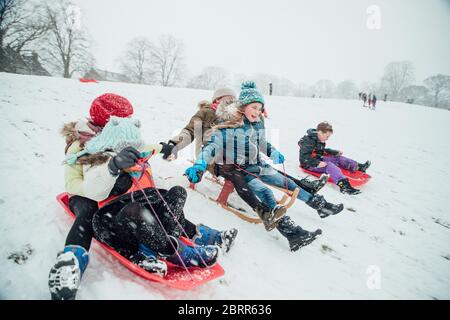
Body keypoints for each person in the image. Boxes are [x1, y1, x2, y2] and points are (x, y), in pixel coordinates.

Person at [48, 94, 237, 300]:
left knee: (156, 201)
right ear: (109, 120)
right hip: (83, 193)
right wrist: (109, 175)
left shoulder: (121, 135)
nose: (129, 122)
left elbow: (141, 148)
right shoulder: (81, 146)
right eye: (124, 119)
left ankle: (196, 235)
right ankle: (70, 263)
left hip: (118, 193)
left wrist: (163, 148)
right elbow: (72, 184)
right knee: (88, 213)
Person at [185, 82, 344, 251]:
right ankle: (293, 232)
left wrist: (272, 152)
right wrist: (200, 163)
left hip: (258, 165)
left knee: (288, 183)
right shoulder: (229, 125)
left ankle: (319, 205)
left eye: (260, 108)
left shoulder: (258, 123)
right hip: (240, 169)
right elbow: (211, 146)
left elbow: (262, 143)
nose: (258, 112)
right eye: (254, 107)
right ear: (243, 107)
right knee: (265, 192)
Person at [162, 88, 328, 231]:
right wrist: (174, 145)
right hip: (212, 158)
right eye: (226, 99)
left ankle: (302, 187)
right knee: (240, 174)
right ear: (217, 99)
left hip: (235, 158)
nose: (230, 101)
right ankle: (263, 209)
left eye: (233, 99)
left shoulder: (236, 115)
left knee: (265, 169)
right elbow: (189, 131)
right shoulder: (206, 113)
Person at [298, 121, 371, 195]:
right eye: (327, 136)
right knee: (329, 165)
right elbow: (304, 158)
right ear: (320, 132)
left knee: (338, 158)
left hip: (318, 158)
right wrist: (317, 163)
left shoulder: (319, 139)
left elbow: (320, 151)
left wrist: (333, 152)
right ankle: (344, 186)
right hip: (309, 164)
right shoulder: (309, 141)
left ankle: (358, 167)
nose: (327, 139)